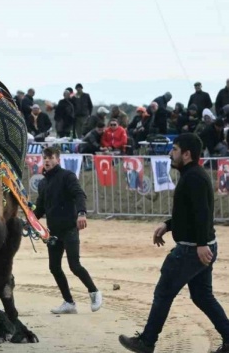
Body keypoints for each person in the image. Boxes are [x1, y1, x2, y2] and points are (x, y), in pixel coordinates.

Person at [119, 133, 229, 353]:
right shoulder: (191, 175)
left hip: (192, 249)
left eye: (175, 149)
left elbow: (202, 213)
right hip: (200, 245)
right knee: (202, 296)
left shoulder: (194, 178)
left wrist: (200, 244)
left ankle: (147, 342)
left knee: (163, 292)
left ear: (187, 154)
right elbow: (189, 213)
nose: (171, 153)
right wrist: (169, 225)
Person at [33, 146, 102, 314]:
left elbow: (79, 195)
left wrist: (81, 213)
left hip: (70, 228)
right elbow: (40, 208)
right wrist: (28, 219)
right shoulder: (43, 183)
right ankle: (69, 303)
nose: (47, 160)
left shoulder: (67, 176)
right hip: (53, 232)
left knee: (74, 265)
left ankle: (94, 292)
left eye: (51, 157)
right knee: (54, 267)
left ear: (58, 159)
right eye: (45, 157)